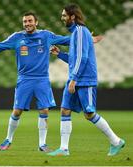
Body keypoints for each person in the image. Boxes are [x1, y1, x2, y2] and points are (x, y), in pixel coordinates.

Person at [0, 12, 102, 153]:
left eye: (30, 21)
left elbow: (66, 40)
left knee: (44, 110)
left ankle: (42, 144)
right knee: (17, 111)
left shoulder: (46, 36)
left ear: (36, 22)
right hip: (24, 79)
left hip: (42, 79)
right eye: (25, 21)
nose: (27, 24)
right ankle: (8, 139)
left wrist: (86, 39)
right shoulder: (17, 37)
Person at [48, 3, 125, 156]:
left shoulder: (81, 32)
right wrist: (59, 54)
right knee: (65, 109)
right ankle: (64, 149)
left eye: (64, 15)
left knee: (89, 114)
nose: (62, 18)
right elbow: (74, 58)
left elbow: (82, 58)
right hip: (75, 78)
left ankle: (116, 141)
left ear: (72, 16)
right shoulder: (77, 33)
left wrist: (74, 79)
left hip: (85, 80)